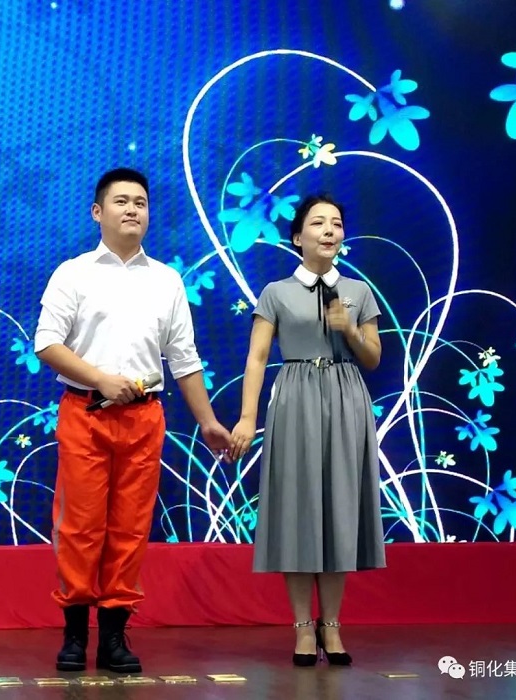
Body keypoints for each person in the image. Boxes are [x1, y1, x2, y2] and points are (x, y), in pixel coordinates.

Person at [34, 167, 232, 674]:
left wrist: (208, 421)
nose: (132, 210)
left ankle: (115, 635)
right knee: (79, 526)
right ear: (97, 212)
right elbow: (47, 344)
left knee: (130, 527)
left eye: (140, 203)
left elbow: (184, 358)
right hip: (85, 413)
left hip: (144, 418)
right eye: (121, 201)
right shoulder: (73, 273)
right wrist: (100, 379)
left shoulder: (166, 280)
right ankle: (74, 633)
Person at [230, 193, 386, 667]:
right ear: (297, 237)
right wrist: (248, 417)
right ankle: (302, 625)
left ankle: (331, 624)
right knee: (299, 512)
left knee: (339, 510)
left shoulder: (358, 291)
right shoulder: (276, 292)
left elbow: (373, 358)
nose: (329, 230)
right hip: (295, 397)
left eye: (336, 223)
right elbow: (257, 357)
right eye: (317, 223)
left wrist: (350, 330)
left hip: (346, 398)